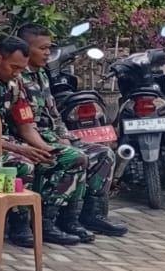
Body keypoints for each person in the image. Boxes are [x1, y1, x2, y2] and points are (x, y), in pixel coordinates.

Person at [0, 36, 85, 249]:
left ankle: (47, 221)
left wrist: (46, 149)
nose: (17, 73)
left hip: (10, 142)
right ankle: (19, 226)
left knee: (73, 157)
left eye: (21, 68)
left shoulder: (16, 82)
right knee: (23, 164)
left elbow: (26, 126)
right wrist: (20, 149)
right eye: (14, 67)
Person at [18, 25, 124, 238]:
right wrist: (57, 142)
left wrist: (65, 136)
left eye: (49, 48)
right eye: (43, 48)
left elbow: (54, 114)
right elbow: (22, 125)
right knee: (75, 157)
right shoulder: (16, 76)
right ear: (26, 49)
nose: (48, 53)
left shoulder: (42, 75)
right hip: (30, 139)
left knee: (104, 153)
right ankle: (48, 221)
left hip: (52, 136)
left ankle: (89, 216)